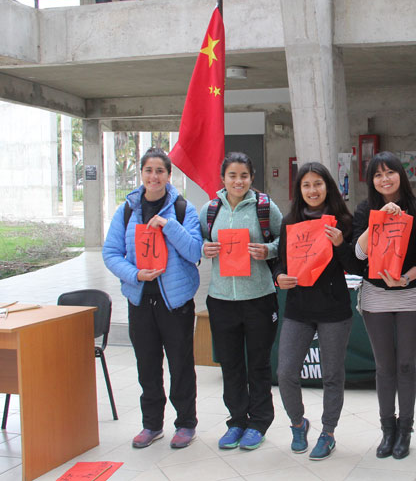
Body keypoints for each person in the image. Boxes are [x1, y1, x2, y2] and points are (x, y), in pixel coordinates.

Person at [102, 147, 203, 449]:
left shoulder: (185, 209)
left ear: (169, 176)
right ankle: (152, 425)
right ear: (142, 174)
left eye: (160, 171)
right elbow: (110, 253)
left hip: (176, 304)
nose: (154, 176)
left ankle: (185, 423)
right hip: (140, 300)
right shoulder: (127, 210)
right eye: (149, 170)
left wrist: (168, 225)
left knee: (180, 365)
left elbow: (194, 252)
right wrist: (135, 275)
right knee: (147, 365)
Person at [273, 162, 361, 461]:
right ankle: (298, 424)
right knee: (285, 372)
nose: (312, 190)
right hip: (298, 308)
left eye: (318, 184)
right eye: (306, 185)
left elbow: (356, 267)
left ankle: (328, 432)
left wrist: (340, 245)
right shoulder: (289, 222)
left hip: (334, 309)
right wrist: (279, 276)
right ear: (299, 190)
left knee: (333, 375)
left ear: (328, 187)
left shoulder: (344, 222)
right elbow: (281, 262)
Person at [199, 152, 283, 451]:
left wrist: (268, 250)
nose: (238, 181)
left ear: (252, 178)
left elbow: (284, 240)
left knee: (258, 364)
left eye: (244, 176)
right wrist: (204, 248)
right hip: (221, 300)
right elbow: (199, 241)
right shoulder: (209, 209)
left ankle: (259, 422)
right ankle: (236, 420)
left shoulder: (264, 206)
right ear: (223, 178)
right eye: (232, 175)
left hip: (259, 298)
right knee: (231, 365)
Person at [352, 152, 416, 459]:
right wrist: (379, 220)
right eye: (378, 175)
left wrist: (407, 280)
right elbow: (357, 256)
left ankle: (405, 431)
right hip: (376, 296)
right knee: (384, 366)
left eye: (390, 173)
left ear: (401, 175)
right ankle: (388, 430)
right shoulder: (364, 210)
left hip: (410, 295)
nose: (385, 179)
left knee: (406, 365)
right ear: (371, 181)